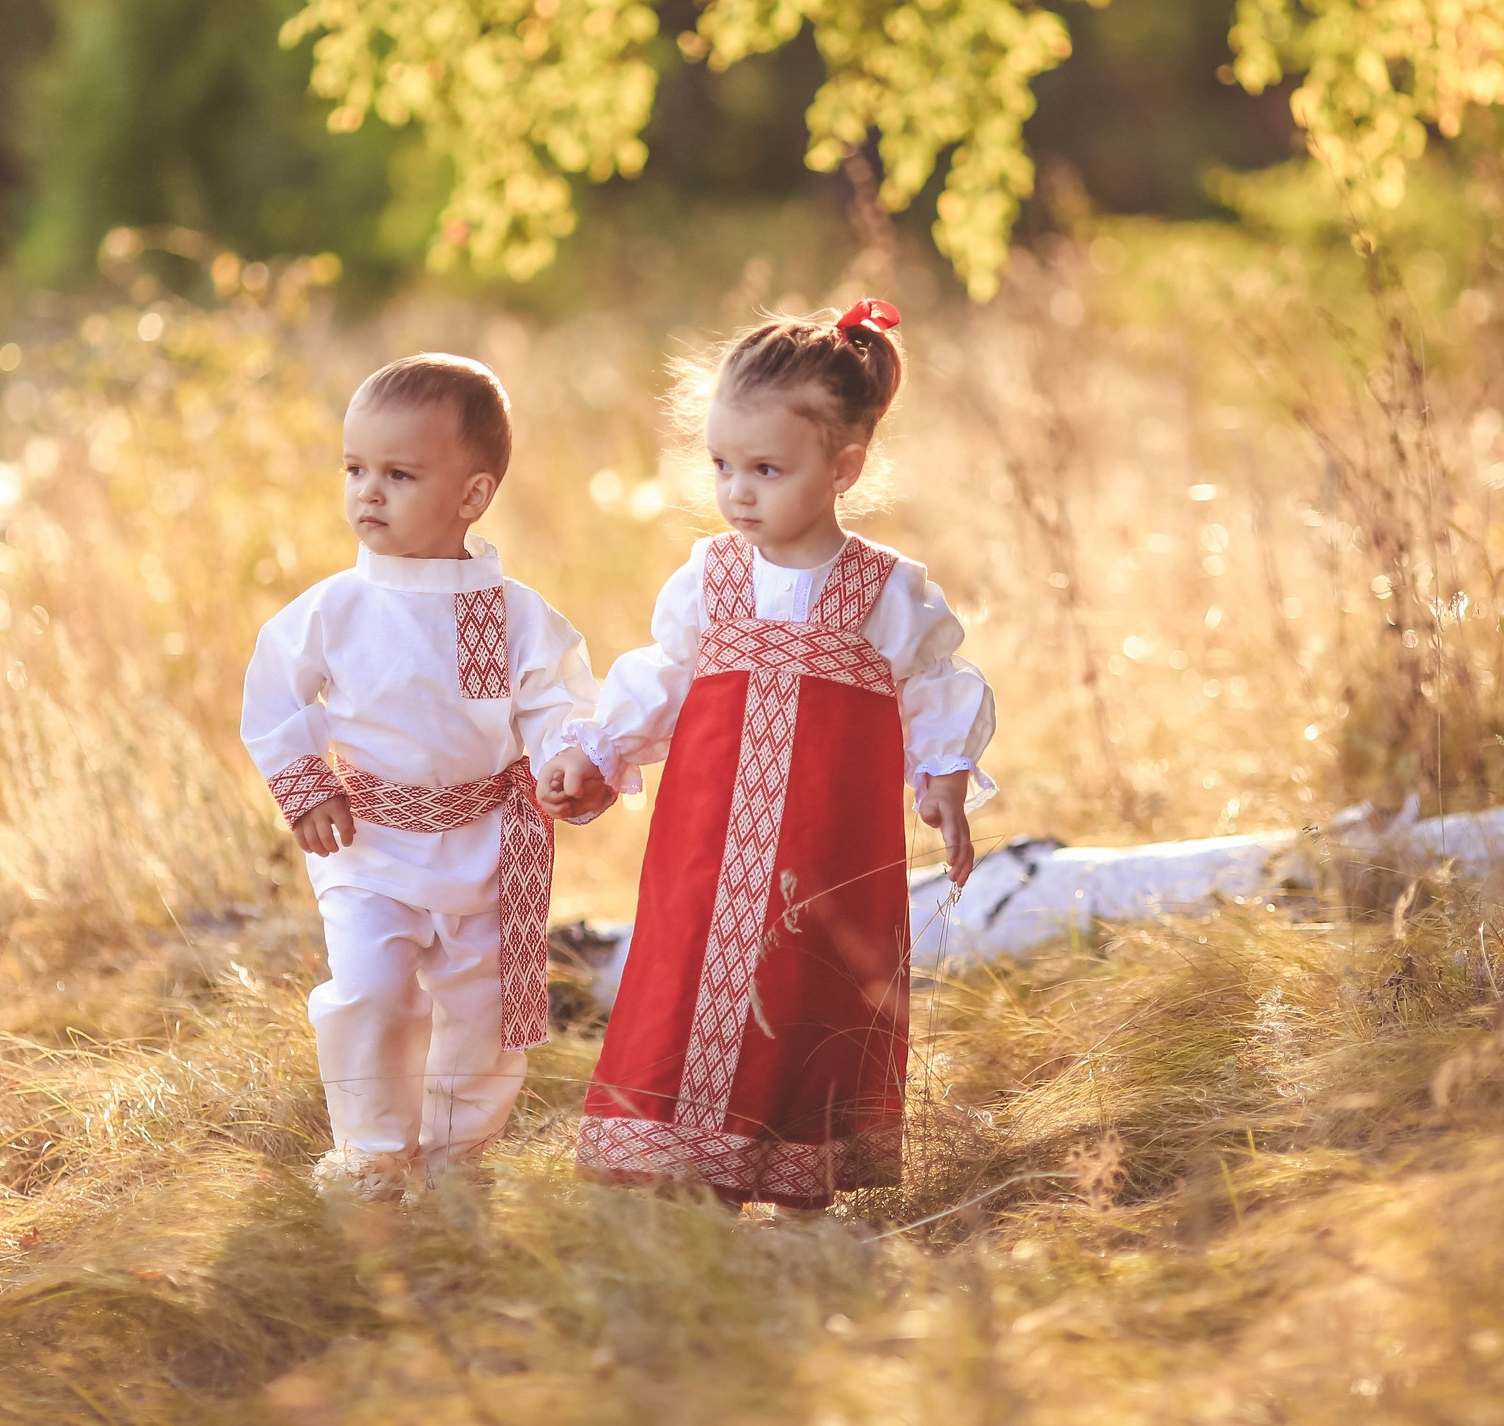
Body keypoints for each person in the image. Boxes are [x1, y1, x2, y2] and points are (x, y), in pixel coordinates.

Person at [553, 300, 995, 1209]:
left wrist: (945, 781)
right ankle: (688, 1167)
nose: (737, 491)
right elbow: (665, 678)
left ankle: (802, 1177)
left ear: (844, 468)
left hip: (826, 847)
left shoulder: (887, 591)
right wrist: (599, 750)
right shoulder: (710, 579)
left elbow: (938, 688)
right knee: (689, 969)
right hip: (707, 840)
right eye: (721, 466)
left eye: (765, 469)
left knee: (811, 983)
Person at [242, 354, 613, 1202]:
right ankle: (371, 1151)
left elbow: (560, 702)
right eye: (354, 469)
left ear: (471, 496)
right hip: (366, 840)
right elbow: (274, 695)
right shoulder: (334, 608)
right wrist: (306, 785)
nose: (367, 492)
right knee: (370, 989)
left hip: (484, 845)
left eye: (399, 474)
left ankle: (457, 1156)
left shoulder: (512, 613)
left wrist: (566, 758)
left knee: (481, 1014)